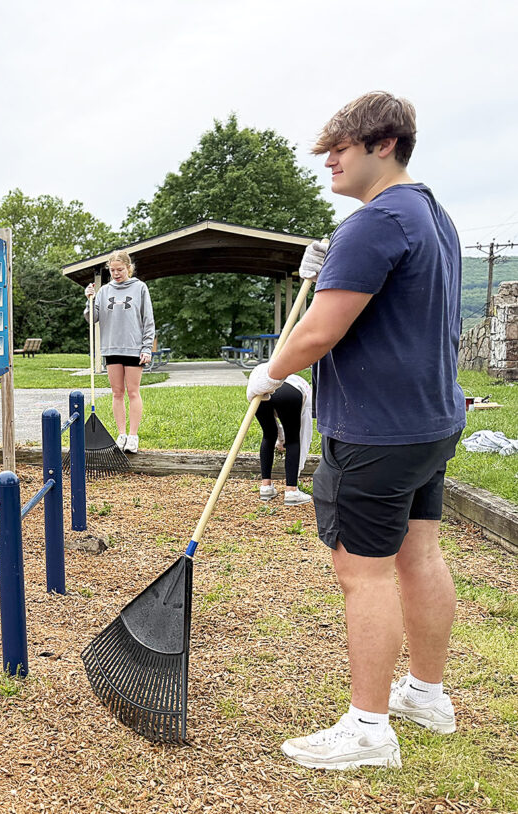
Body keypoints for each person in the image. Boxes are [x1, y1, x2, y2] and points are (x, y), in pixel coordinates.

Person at [245, 92, 465, 770]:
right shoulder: (431, 213)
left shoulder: (374, 222)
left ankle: (369, 728)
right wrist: (325, 268)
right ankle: (425, 694)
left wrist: (270, 371)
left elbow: (321, 328)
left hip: (377, 430)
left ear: (386, 145)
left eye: (341, 147)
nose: (329, 160)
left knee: (361, 573)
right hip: (429, 421)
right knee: (418, 553)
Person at [83, 249, 155, 453]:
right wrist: (89, 300)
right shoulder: (104, 291)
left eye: (120, 269)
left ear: (128, 268)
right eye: (112, 270)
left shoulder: (140, 288)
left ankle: (133, 436)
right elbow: (93, 319)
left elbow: (148, 320)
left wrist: (146, 347)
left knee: (133, 391)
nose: (116, 273)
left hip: (133, 347)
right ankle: (121, 434)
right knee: (117, 392)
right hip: (111, 346)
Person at [254, 373, 313, 506]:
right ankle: (292, 491)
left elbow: (275, 429)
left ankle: (266, 488)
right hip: (289, 393)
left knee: (268, 435)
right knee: (293, 439)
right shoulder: (307, 395)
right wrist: (297, 470)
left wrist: (280, 440)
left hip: (259, 390)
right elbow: (304, 435)